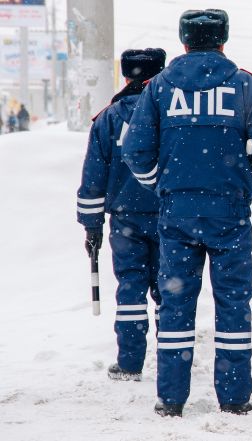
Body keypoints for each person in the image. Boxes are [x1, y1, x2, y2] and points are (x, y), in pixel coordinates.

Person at [122, 9, 252, 417]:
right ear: (223, 40)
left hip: (177, 213)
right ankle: (233, 398)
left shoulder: (159, 88)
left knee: (175, 304)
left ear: (183, 42)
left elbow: (135, 150)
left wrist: (162, 184)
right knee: (233, 301)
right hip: (229, 212)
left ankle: (171, 398)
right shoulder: (246, 86)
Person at [76, 48, 167, 382]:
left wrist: (91, 225)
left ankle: (129, 363)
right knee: (168, 290)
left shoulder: (109, 118)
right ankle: (172, 358)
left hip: (125, 219)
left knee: (130, 287)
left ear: (126, 76)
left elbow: (93, 179)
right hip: (167, 217)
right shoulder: (170, 112)